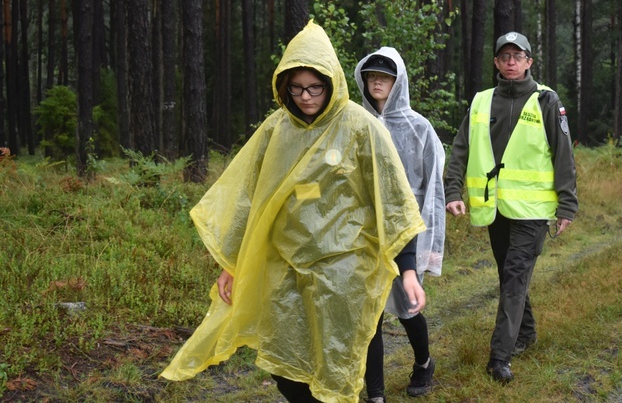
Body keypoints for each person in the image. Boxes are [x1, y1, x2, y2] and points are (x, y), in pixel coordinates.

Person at [160, 21, 427, 403]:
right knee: (283, 361)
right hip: (285, 265)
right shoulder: (275, 130)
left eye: (315, 87)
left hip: (343, 269)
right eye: (296, 87)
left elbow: (394, 200)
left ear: (332, 82)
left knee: (335, 360)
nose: (305, 97)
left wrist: (409, 268)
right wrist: (231, 263)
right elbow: (248, 200)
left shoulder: (360, 127)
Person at [444, 31, 578, 383]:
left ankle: (499, 357)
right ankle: (527, 333)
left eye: (518, 56)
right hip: (495, 208)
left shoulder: (547, 100)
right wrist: (452, 190)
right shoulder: (482, 101)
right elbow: (461, 148)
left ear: (529, 61)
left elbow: (563, 154)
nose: (511, 61)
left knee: (515, 279)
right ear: (497, 63)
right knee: (509, 275)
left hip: (532, 212)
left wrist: (567, 205)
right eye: (505, 56)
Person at [354, 48, 446, 400]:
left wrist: (427, 237)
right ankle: (375, 393)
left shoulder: (418, 127)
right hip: (364, 232)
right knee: (371, 313)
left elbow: (432, 186)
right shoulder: (355, 123)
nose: (377, 81)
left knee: (408, 306)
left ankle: (423, 363)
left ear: (398, 82)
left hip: (407, 230)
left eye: (385, 76)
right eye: (371, 75)